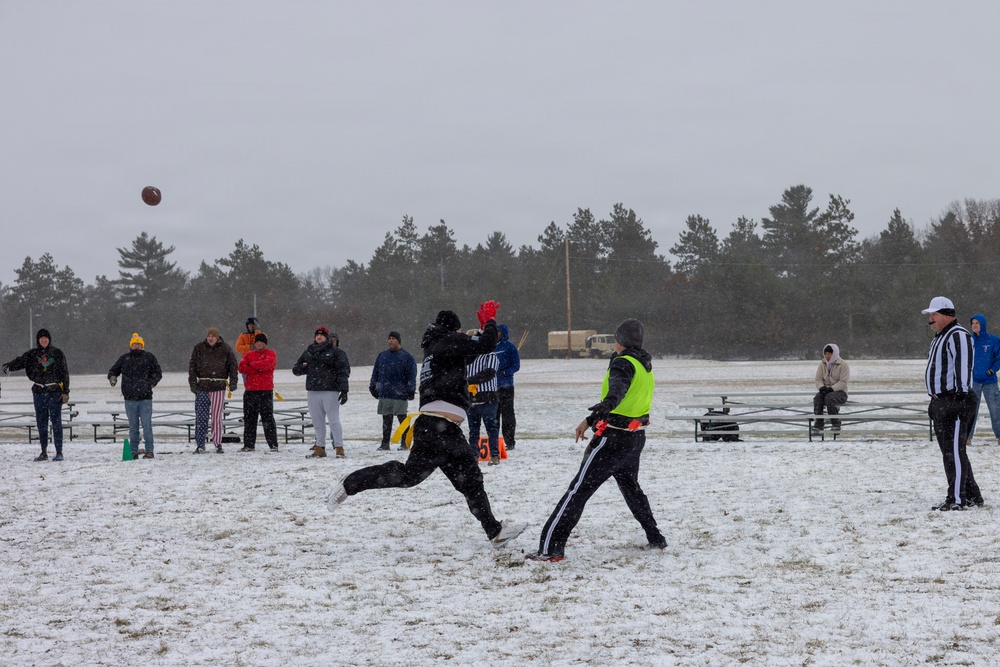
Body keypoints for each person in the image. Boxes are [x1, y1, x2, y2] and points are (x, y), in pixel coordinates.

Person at [326, 303, 527, 550]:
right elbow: (485, 345)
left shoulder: (437, 349)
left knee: (452, 479)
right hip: (439, 428)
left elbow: (459, 370)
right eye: (460, 331)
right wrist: (490, 323)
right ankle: (350, 482)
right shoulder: (446, 343)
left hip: (438, 428)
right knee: (460, 480)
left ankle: (495, 532)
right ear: (453, 329)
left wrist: (474, 372)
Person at [526, 318, 666, 562]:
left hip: (612, 440)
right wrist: (591, 419)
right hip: (634, 438)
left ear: (620, 341)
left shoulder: (622, 363)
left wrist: (607, 405)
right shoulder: (644, 365)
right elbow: (624, 398)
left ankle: (551, 549)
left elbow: (617, 392)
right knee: (632, 490)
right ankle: (656, 538)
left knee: (577, 491)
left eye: (615, 338)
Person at [922, 296, 983, 511]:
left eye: (934, 314)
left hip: (956, 400)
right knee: (950, 451)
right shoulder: (939, 337)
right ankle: (972, 495)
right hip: (941, 400)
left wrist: (960, 396)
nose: (930, 319)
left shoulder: (958, 335)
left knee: (954, 452)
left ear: (947, 315)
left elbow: (963, 366)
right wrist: (934, 399)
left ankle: (957, 498)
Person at [3, 328, 70, 461]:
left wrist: (65, 391)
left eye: (46, 338)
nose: (44, 340)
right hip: (39, 392)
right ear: (38, 340)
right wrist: (9, 366)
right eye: (41, 338)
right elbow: (20, 361)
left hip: (55, 391)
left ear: (49, 339)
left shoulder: (57, 353)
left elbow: (65, 372)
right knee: (41, 422)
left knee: (56, 422)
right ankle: (43, 452)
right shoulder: (33, 354)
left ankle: (59, 452)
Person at [293, 327, 350, 458]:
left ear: (327, 337)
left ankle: (339, 447)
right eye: (317, 335)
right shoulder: (309, 351)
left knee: (333, 420)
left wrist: (344, 390)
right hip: (313, 391)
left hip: (330, 390)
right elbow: (296, 369)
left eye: (322, 335)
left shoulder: (336, 352)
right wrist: (303, 367)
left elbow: (343, 371)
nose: (319, 337)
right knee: (317, 421)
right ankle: (320, 447)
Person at [108, 332, 163, 459]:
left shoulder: (149, 357)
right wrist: (112, 377)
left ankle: (149, 450)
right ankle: (133, 451)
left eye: (139, 344)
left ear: (142, 345)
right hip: (129, 398)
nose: (137, 346)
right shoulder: (124, 358)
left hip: (145, 398)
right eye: (134, 344)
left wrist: (150, 383)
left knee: (146, 425)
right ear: (131, 346)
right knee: (133, 427)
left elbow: (158, 372)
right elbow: (113, 370)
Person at [188, 327, 239, 454]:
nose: (210, 338)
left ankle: (217, 443)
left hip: (218, 387)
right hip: (202, 387)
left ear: (217, 337)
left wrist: (233, 382)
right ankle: (200, 444)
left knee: (217, 417)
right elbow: (192, 367)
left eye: (213, 336)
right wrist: (193, 383)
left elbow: (233, 366)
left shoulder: (225, 349)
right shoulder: (199, 348)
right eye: (209, 336)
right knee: (201, 417)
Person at [369, 331, 417, 451]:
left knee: (403, 420)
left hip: (400, 393)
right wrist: (373, 386)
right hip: (385, 392)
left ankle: (405, 443)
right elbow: (376, 372)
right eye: (389, 338)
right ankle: (385, 443)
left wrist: (411, 389)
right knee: (386, 420)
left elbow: (412, 374)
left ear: (398, 341)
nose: (391, 340)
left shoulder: (407, 357)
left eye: (393, 338)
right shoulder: (382, 355)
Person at [237, 332, 279, 452]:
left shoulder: (271, 354)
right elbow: (241, 368)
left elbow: (267, 364)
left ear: (265, 343)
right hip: (250, 391)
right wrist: (257, 368)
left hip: (265, 391)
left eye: (261, 341)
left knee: (267, 418)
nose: (259, 344)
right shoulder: (249, 354)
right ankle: (249, 445)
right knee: (250, 419)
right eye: (257, 342)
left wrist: (252, 366)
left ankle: (273, 444)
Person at [465, 335, 501, 464]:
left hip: (488, 398)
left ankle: (494, 455)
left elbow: (489, 373)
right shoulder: (468, 358)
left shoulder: (490, 356)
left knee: (491, 427)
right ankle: (473, 455)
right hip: (472, 399)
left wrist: (469, 380)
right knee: (473, 430)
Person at [968, 314, 1000, 446]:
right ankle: (967, 437)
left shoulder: (993, 340)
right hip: (973, 382)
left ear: (983, 324)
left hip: (990, 382)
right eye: (973, 323)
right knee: (970, 411)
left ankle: (999, 436)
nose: (974, 325)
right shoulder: (968, 340)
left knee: (995, 410)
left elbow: (999, 358)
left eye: (977, 323)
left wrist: (991, 370)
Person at [495, 324, 521, 450]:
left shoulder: (510, 347)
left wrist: (505, 372)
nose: (497, 333)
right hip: (491, 387)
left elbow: (516, 365)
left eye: (499, 331)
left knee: (508, 415)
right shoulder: (490, 347)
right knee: (493, 416)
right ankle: (494, 440)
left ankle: (509, 441)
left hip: (506, 386)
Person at [813, 343, 850, 432]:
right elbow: (818, 379)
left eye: (830, 353)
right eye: (826, 354)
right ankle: (819, 422)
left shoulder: (843, 365)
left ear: (835, 353)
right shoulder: (822, 364)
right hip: (825, 391)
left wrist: (831, 389)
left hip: (840, 392)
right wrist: (822, 388)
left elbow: (843, 382)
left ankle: (836, 423)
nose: (827, 356)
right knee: (817, 398)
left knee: (830, 398)